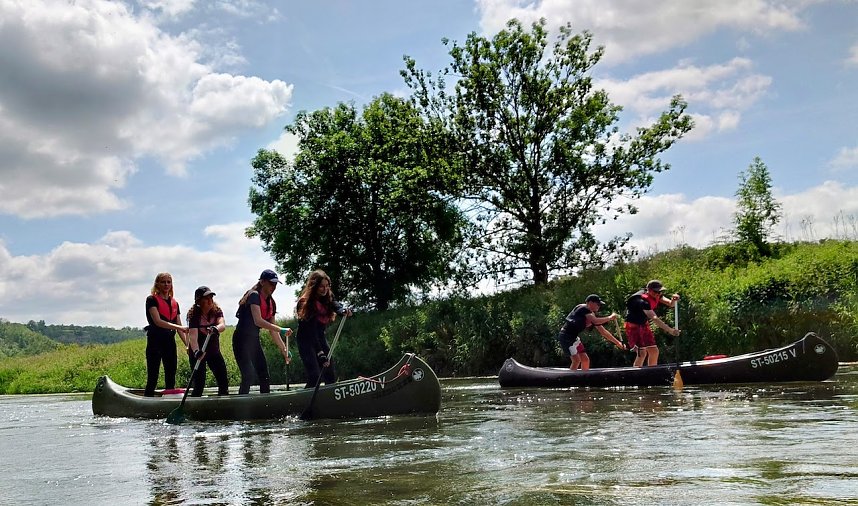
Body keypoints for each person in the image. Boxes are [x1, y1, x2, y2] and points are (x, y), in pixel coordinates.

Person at [233, 269, 292, 394]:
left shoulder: (271, 303)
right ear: (262, 282)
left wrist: (284, 349)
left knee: (264, 374)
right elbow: (258, 321)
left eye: (275, 284)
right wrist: (281, 329)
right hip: (241, 340)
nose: (274, 287)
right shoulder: (254, 295)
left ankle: (266, 404)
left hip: (253, 341)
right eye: (271, 283)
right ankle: (242, 404)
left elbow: (273, 330)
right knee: (248, 374)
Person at [295, 269, 352, 388]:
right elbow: (311, 332)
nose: (325, 289)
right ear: (314, 286)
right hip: (306, 340)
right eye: (321, 286)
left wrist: (342, 311)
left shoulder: (328, 296)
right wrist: (320, 353)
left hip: (320, 336)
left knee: (329, 372)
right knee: (315, 375)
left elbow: (335, 304)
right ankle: (304, 402)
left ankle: (329, 401)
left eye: (327, 286)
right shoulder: (305, 303)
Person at [144, 272, 188, 396]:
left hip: (169, 343)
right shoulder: (151, 300)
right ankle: (148, 399)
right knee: (153, 375)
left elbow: (180, 327)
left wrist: (187, 345)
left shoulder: (175, 303)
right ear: (157, 284)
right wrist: (179, 327)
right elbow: (158, 321)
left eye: (169, 282)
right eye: (163, 282)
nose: (166, 284)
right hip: (155, 342)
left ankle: (170, 399)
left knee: (171, 373)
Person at [557, 294, 626, 371]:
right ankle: (569, 381)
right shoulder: (583, 308)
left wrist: (618, 343)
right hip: (566, 337)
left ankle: (584, 379)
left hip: (574, 338)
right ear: (590, 303)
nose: (599, 306)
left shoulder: (591, 315)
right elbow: (595, 320)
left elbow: (603, 332)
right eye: (597, 304)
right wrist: (610, 318)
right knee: (576, 360)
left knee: (585, 360)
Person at [624, 279, 681, 367]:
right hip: (633, 326)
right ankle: (636, 377)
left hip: (643, 324)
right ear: (649, 290)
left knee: (654, 351)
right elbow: (654, 318)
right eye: (656, 292)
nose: (658, 294)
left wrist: (674, 300)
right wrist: (670, 330)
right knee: (642, 353)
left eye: (660, 291)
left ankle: (652, 373)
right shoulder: (642, 301)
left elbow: (671, 304)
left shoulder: (657, 295)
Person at [186, 286, 229, 396]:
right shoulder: (193, 316)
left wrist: (216, 328)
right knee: (199, 384)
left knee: (223, 380)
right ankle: (195, 405)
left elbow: (222, 325)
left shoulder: (217, 311)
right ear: (199, 301)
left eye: (211, 297)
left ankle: (223, 404)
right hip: (198, 352)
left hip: (213, 351)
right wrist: (196, 352)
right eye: (206, 298)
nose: (210, 300)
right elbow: (193, 337)